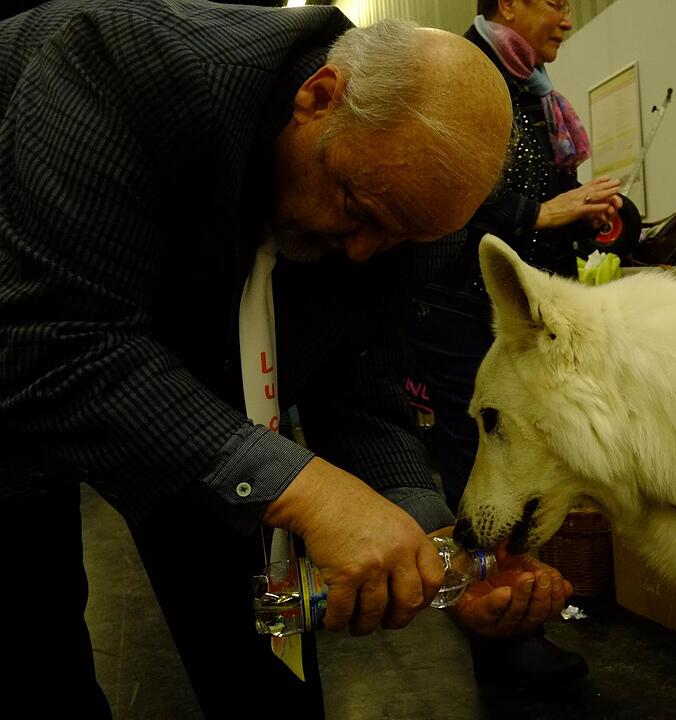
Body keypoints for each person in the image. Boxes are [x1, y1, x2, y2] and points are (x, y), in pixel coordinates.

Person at [0, 1, 573, 717]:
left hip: (190, 359)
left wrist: (429, 550)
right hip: (23, 342)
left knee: (267, 652)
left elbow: (361, 383)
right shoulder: (132, 70)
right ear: (319, 98)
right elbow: (52, 342)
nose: (364, 252)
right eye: (359, 210)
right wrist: (310, 490)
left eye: (397, 239)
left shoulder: (401, 209)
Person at [407, 0, 622, 687]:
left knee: (521, 466)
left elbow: (549, 199)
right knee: (482, 464)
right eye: (555, 1)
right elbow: (445, 193)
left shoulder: (533, 92)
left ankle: (515, 615)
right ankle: (501, 632)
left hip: (515, 318)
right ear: (506, 3)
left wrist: (599, 216)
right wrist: (540, 213)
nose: (566, 16)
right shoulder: (465, 75)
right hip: (459, 310)